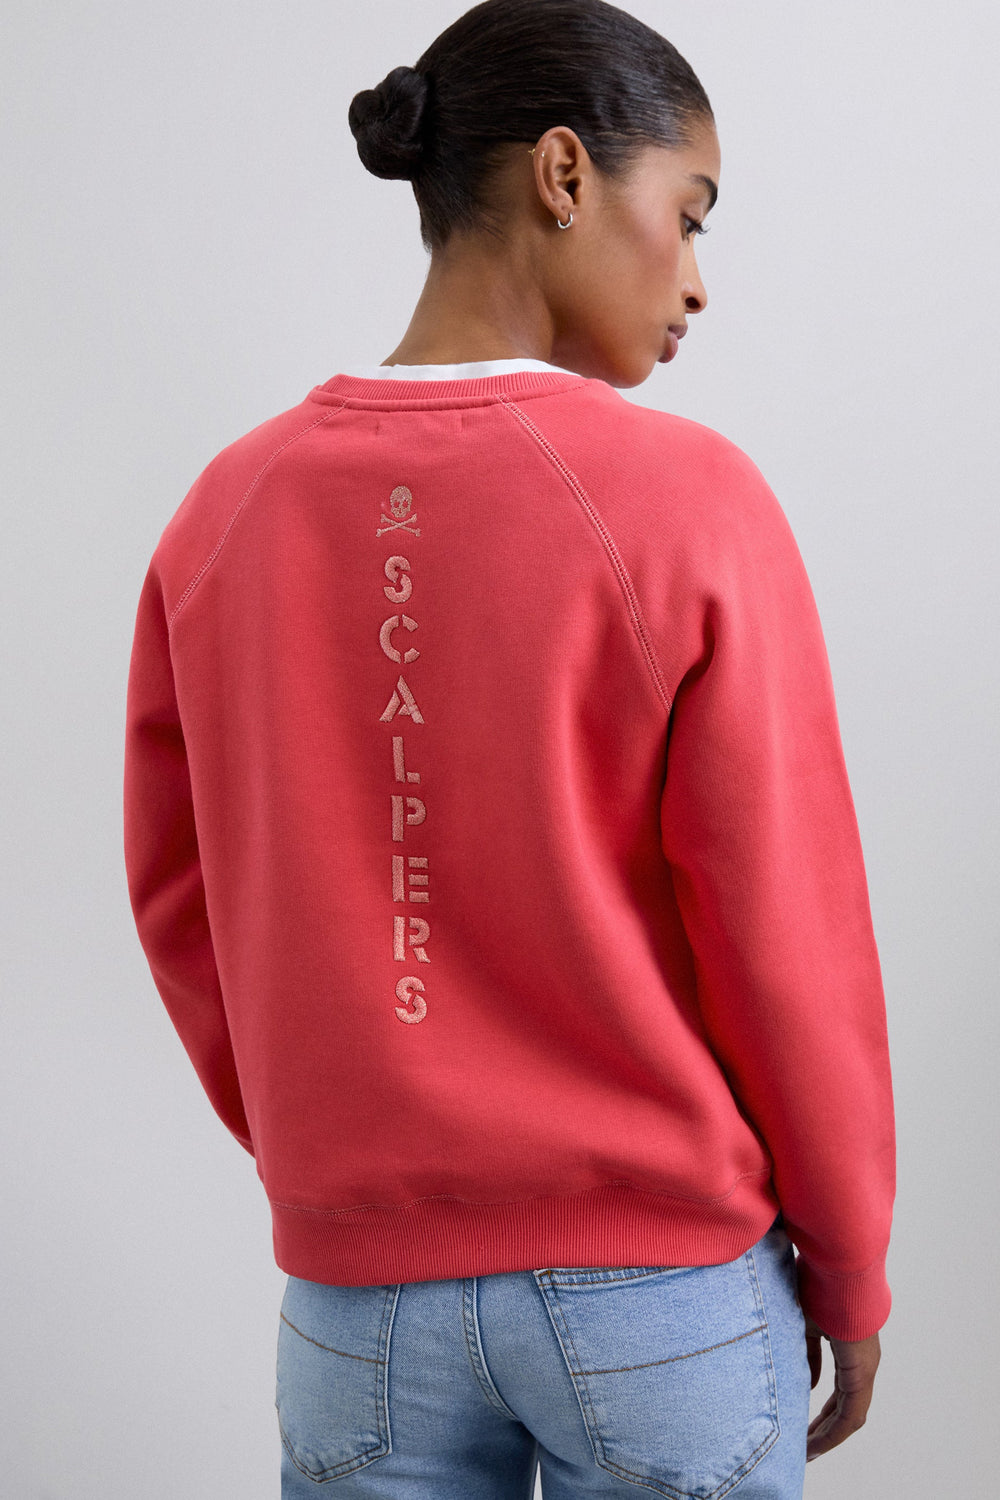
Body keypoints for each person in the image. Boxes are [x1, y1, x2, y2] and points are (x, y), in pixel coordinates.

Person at [122, 1, 896, 1494]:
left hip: (357, 1308)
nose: (699, 279)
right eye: (691, 214)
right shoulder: (690, 503)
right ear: (563, 173)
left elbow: (179, 900)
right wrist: (851, 1258)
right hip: (660, 1293)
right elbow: (783, 928)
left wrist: (336, 1157)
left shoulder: (227, 513)